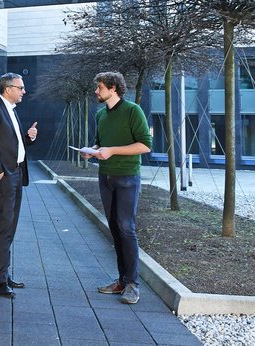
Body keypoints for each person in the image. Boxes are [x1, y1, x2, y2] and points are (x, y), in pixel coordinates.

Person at [81, 71, 151, 304]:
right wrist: (91, 151)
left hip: (127, 177)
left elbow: (144, 145)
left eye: (99, 87)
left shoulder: (133, 111)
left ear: (113, 88)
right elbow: (100, 143)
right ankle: (122, 280)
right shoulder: (101, 114)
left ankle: (132, 284)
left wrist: (112, 151)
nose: (96, 91)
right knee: (115, 228)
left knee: (126, 227)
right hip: (105, 177)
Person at [0, 72, 38, 298]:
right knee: (5, 226)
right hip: (5, 176)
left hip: (17, 172)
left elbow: (11, 142)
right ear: (8, 88)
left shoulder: (11, 111)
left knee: (10, 226)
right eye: (20, 88)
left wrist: (28, 137)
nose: (24, 91)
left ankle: (0, 273)